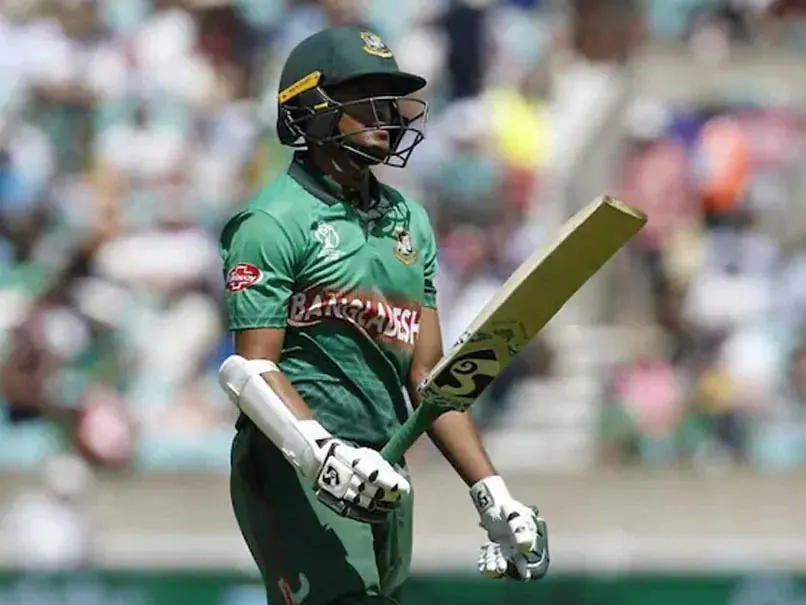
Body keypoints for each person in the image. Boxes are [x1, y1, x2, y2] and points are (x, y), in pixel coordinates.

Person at [216, 26, 549, 605]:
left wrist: (492, 494)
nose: (388, 115)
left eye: (391, 100)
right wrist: (321, 453)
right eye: (365, 97)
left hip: (386, 466)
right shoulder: (272, 221)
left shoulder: (409, 222)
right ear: (313, 105)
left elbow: (431, 382)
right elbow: (250, 370)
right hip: (294, 462)